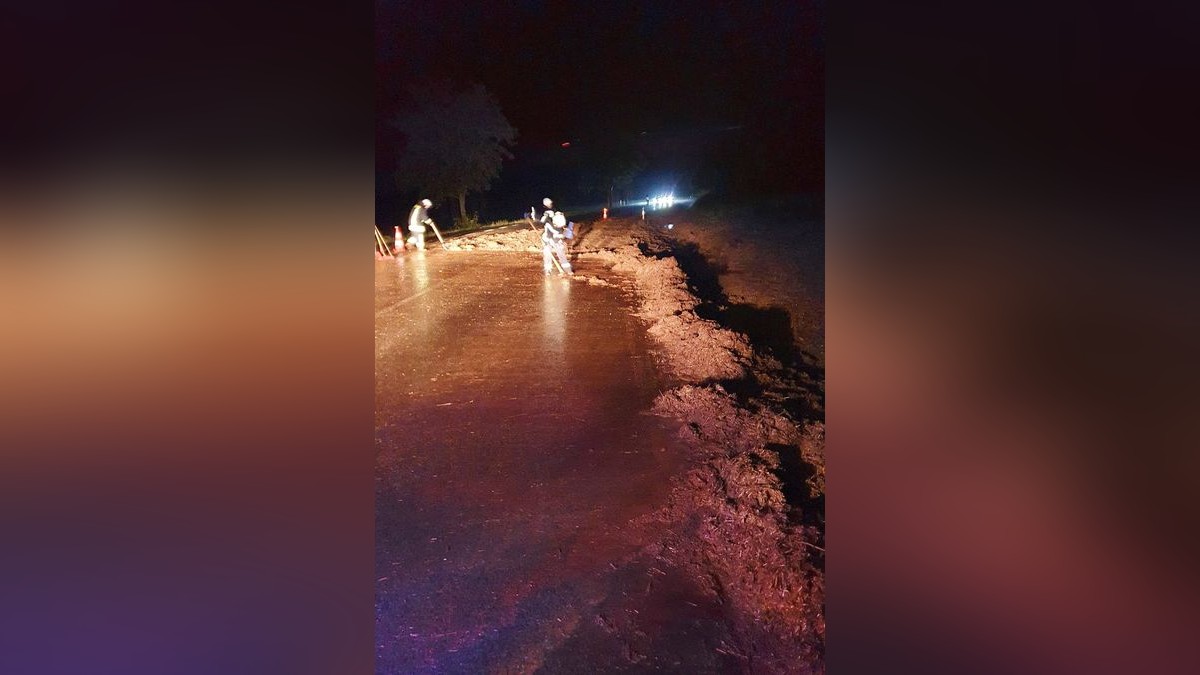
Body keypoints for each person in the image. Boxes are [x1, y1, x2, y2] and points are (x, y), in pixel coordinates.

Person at [542, 210, 573, 275]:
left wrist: (561, 237)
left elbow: (566, 235)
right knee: (548, 253)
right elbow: (548, 234)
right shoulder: (548, 224)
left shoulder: (562, 224)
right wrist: (549, 240)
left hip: (557, 240)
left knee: (561, 253)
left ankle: (568, 270)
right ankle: (548, 270)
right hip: (547, 240)